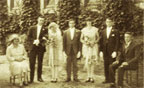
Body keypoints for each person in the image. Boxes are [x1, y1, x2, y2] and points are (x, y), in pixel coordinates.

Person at [99, 18, 120, 83]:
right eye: (107, 22)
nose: (108, 23)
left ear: (112, 22)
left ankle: (112, 80)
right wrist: (101, 51)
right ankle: (107, 79)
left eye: (110, 22)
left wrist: (115, 51)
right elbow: (101, 42)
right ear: (105, 22)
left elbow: (117, 42)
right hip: (105, 51)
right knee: (106, 64)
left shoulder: (116, 31)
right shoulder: (103, 31)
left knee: (112, 65)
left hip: (112, 51)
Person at [27, 16, 46, 83]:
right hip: (33, 47)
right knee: (32, 63)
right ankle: (31, 78)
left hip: (41, 48)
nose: (41, 21)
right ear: (38, 20)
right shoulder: (32, 28)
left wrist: (39, 41)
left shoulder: (45, 29)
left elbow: (45, 38)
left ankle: (39, 77)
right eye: (40, 20)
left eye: (43, 20)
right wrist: (34, 41)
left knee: (40, 62)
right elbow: (28, 37)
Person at [80, 17, 100, 83]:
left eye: (90, 21)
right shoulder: (84, 30)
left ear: (91, 22)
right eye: (88, 21)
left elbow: (98, 38)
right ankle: (88, 76)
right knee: (87, 61)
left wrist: (94, 42)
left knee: (92, 61)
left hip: (93, 47)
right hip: (86, 47)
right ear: (86, 22)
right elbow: (81, 39)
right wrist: (86, 42)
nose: (89, 23)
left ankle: (92, 77)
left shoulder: (95, 29)